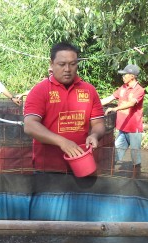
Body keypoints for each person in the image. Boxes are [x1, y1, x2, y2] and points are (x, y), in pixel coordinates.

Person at [23, 42, 105, 173]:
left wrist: (95, 135)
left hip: (82, 163)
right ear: (52, 64)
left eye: (72, 64)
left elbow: (99, 123)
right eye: (62, 64)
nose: (67, 69)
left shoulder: (89, 90)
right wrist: (62, 142)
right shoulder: (40, 90)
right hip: (48, 168)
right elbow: (30, 125)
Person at [100, 64, 145, 176]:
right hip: (122, 128)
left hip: (133, 129)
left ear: (132, 76)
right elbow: (110, 98)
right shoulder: (123, 88)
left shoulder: (139, 90)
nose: (123, 77)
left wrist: (115, 108)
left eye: (125, 75)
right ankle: (108, 176)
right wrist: (94, 103)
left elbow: (131, 104)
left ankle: (137, 179)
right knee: (115, 153)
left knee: (135, 156)